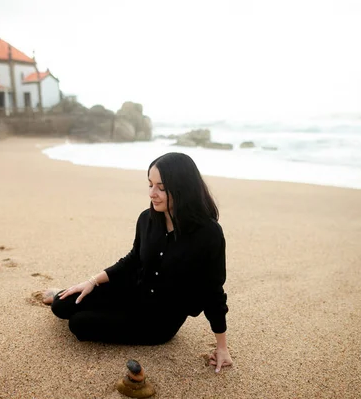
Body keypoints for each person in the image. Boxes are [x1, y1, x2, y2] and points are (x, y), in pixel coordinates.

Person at [41, 152, 233, 373]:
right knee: (61, 305)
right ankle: (80, 298)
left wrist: (222, 347)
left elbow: (213, 291)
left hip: (157, 321)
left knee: (79, 324)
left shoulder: (208, 234)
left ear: (183, 188)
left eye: (161, 187)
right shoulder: (148, 218)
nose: (152, 193)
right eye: (150, 184)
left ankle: (105, 315)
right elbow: (133, 259)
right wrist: (92, 281)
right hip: (133, 289)